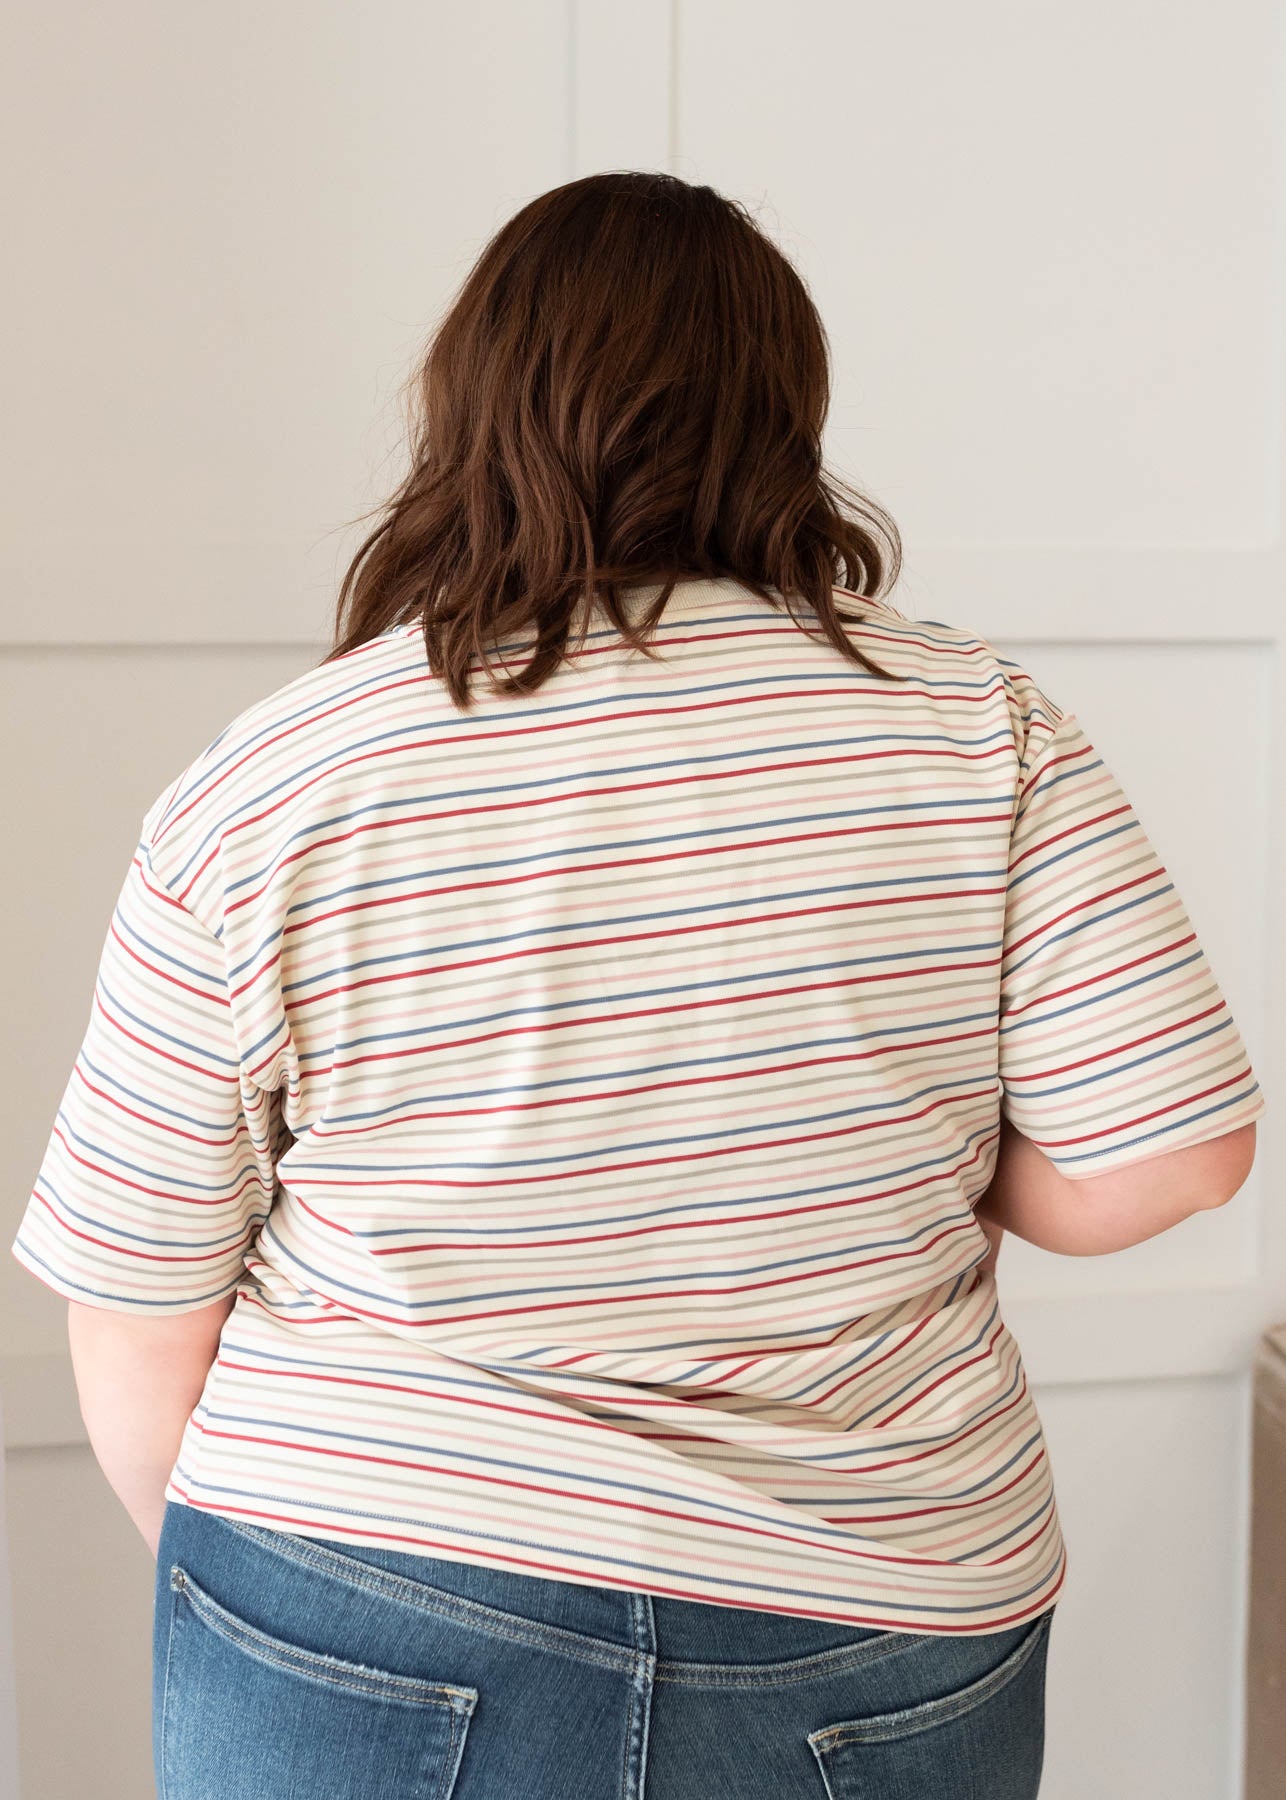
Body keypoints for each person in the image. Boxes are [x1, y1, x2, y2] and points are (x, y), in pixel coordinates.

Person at [10, 171, 1265, 1800]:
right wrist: (954, 1164)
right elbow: (1174, 1154)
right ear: (785, 413)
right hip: (870, 1610)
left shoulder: (280, 774)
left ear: (473, 409)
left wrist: (329, 1585)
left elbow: (132, 1305)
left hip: (367, 1566)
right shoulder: (978, 731)